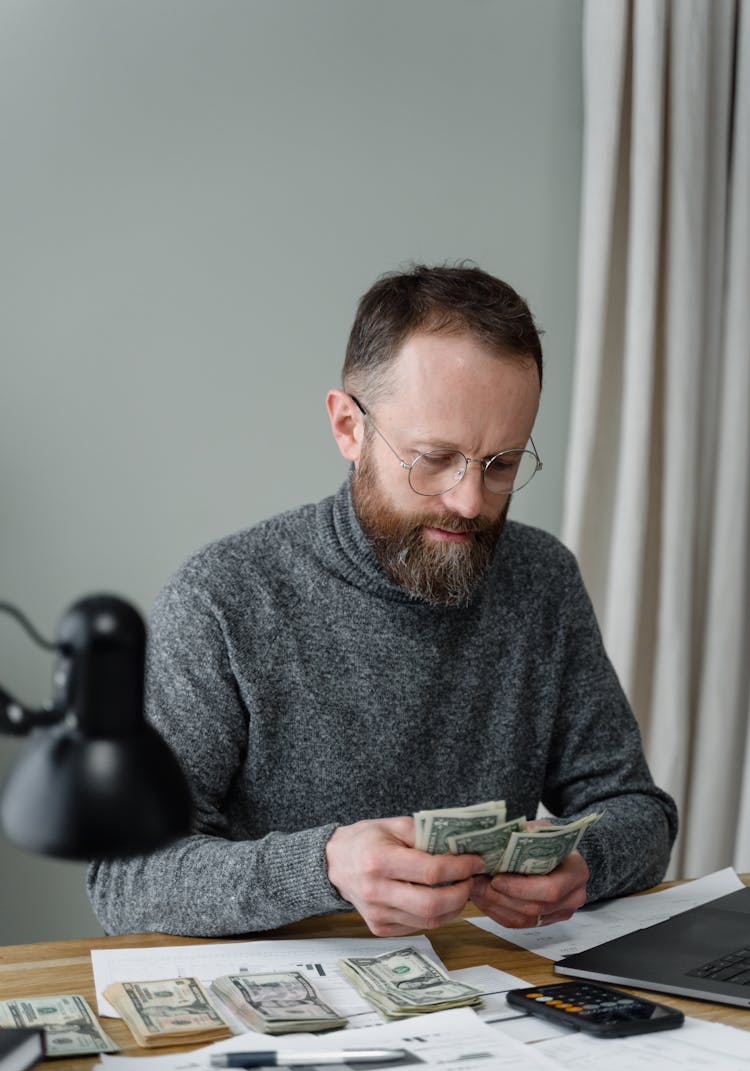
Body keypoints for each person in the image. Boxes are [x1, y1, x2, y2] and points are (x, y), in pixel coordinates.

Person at [87, 263, 678, 938]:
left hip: (487, 1001)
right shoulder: (220, 602)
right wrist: (324, 868)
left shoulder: (542, 580)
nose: (469, 501)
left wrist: (585, 862)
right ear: (349, 427)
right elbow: (123, 877)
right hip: (287, 1013)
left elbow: (639, 810)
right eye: (434, 457)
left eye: (502, 464)